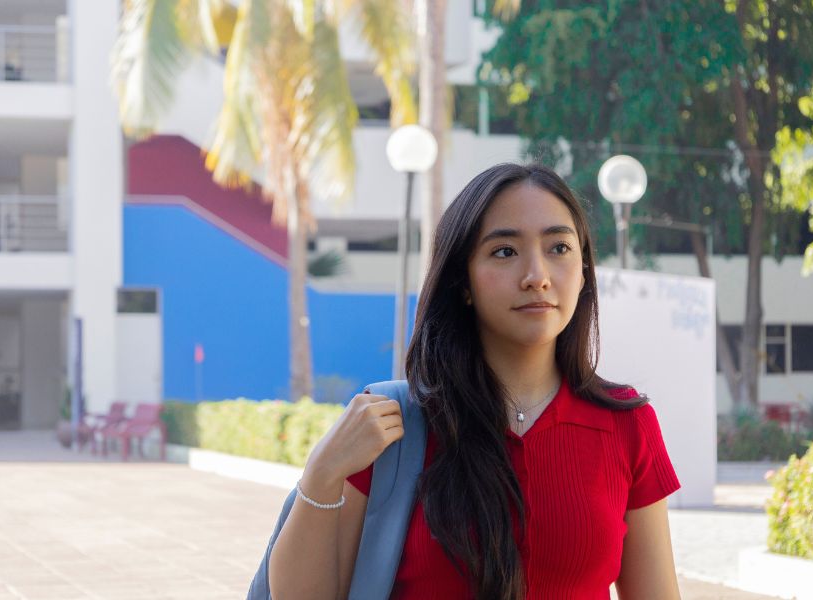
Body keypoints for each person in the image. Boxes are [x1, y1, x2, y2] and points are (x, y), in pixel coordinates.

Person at [266, 164, 682, 599]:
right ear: (462, 281)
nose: (536, 275)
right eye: (505, 251)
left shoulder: (626, 423)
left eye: (559, 247)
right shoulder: (395, 427)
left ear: (584, 271)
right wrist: (322, 473)